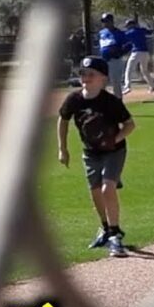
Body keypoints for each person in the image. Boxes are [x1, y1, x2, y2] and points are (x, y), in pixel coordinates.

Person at [57, 56, 136, 258]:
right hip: (90, 152)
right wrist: (62, 148)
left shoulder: (111, 102)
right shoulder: (74, 99)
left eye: (91, 74)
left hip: (114, 151)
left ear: (103, 79)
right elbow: (63, 120)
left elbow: (130, 125)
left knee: (107, 188)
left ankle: (115, 234)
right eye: (83, 73)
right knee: (95, 192)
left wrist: (114, 140)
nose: (86, 77)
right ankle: (105, 228)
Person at [97, 13, 130, 99]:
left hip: (115, 61)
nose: (105, 23)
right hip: (104, 61)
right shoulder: (102, 33)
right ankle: (100, 102)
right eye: (103, 21)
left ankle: (118, 102)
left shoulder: (119, 33)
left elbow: (128, 45)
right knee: (101, 82)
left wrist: (120, 53)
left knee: (115, 83)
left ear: (111, 21)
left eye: (106, 21)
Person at [122, 19, 154, 94]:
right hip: (145, 53)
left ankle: (127, 86)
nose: (127, 27)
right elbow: (149, 32)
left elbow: (124, 38)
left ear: (132, 25)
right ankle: (153, 87)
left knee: (129, 69)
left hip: (136, 52)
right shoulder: (141, 30)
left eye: (128, 25)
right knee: (145, 71)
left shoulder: (130, 32)